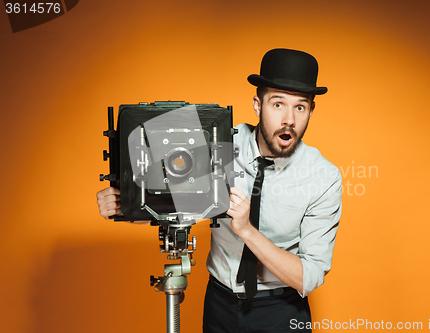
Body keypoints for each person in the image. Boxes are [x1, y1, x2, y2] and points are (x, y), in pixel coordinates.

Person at [96, 48, 342, 333]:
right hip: (219, 305)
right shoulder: (218, 143)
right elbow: (170, 203)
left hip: (281, 313)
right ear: (257, 104)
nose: (289, 119)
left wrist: (246, 230)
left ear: (311, 110)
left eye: (300, 107)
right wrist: (122, 204)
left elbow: (308, 277)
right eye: (278, 104)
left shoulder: (324, 177)